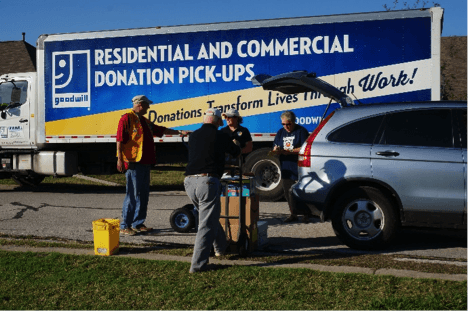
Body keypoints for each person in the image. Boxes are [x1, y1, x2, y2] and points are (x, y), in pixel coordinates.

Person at [116, 95, 189, 235]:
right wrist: (119, 159)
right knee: (132, 194)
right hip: (133, 162)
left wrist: (179, 132)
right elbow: (119, 140)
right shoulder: (126, 118)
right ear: (140, 104)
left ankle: (138, 223)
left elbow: (161, 130)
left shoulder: (144, 121)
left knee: (143, 194)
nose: (149, 107)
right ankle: (125, 225)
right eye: (147, 105)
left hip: (145, 162)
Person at [184, 108, 241, 273]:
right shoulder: (220, 135)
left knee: (209, 216)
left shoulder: (193, 135)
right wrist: (235, 144)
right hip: (207, 181)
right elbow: (235, 152)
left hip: (189, 182)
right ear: (217, 121)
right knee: (206, 224)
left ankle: (221, 247)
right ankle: (197, 265)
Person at [272, 110, 310, 223]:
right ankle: (293, 214)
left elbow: (305, 148)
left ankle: (306, 214)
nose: (286, 126)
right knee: (288, 192)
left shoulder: (301, 131)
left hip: (299, 166)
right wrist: (276, 150)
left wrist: (290, 151)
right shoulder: (280, 132)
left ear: (293, 122)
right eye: (283, 124)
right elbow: (275, 146)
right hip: (286, 167)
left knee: (302, 191)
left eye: (288, 124)